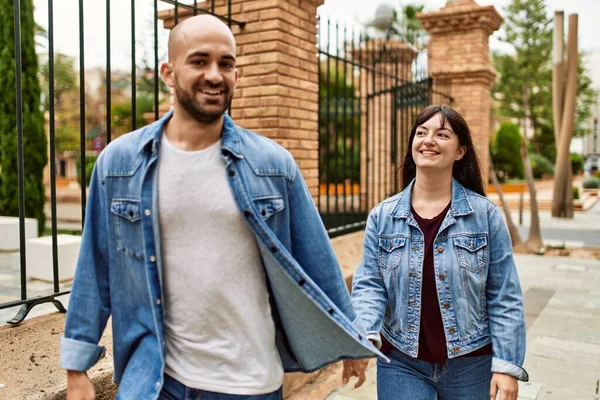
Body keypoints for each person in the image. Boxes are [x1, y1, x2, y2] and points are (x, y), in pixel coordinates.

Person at [61, 14, 382, 400]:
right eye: (199, 61)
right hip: (157, 382)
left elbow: (315, 259)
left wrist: (351, 339)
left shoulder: (272, 165)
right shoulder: (119, 165)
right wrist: (77, 365)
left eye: (226, 64)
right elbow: (96, 268)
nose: (215, 74)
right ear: (169, 72)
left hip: (249, 382)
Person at [342, 105, 528, 399]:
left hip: (471, 363)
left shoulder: (485, 216)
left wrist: (506, 366)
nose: (428, 140)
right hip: (401, 360)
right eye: (421, 133)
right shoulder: (383, 215)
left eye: (442, 134)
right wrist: (362, 337)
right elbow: (370, 284)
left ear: (460, 152)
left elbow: (504, 294)